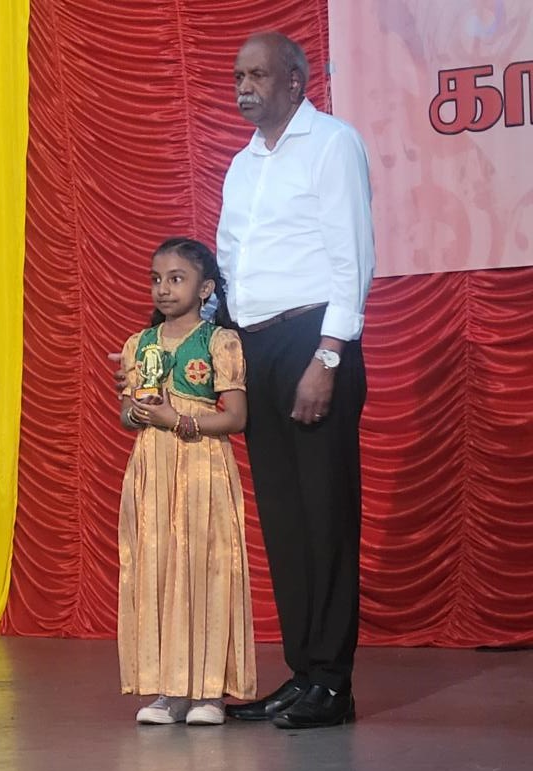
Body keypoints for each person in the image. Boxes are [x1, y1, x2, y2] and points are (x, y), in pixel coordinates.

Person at [216, 32, 375, 729]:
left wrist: (329, 356)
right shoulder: (241, 163)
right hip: (257, 348)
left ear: (294, 82)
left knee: (325, 517)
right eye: (238, 76)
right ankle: (303, 672)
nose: (244, 87)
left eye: (257, 75)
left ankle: (333, 685)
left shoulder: (332, 144)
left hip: (315, 341)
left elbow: (352, 257)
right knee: (284, 522)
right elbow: (229, 262)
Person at [116, 237, 256, 726]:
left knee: (205, 566)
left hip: (202, 466)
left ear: (205, 288)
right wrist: (138, 411)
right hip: (153, 467)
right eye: (156, 279)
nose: (163, 289)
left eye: (176, 279)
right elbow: (127, 416)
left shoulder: (220, 342)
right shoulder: (139, 344)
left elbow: (235, 417)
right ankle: (167, 690)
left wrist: (179, 420)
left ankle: (209, 693)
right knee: (157, 567)